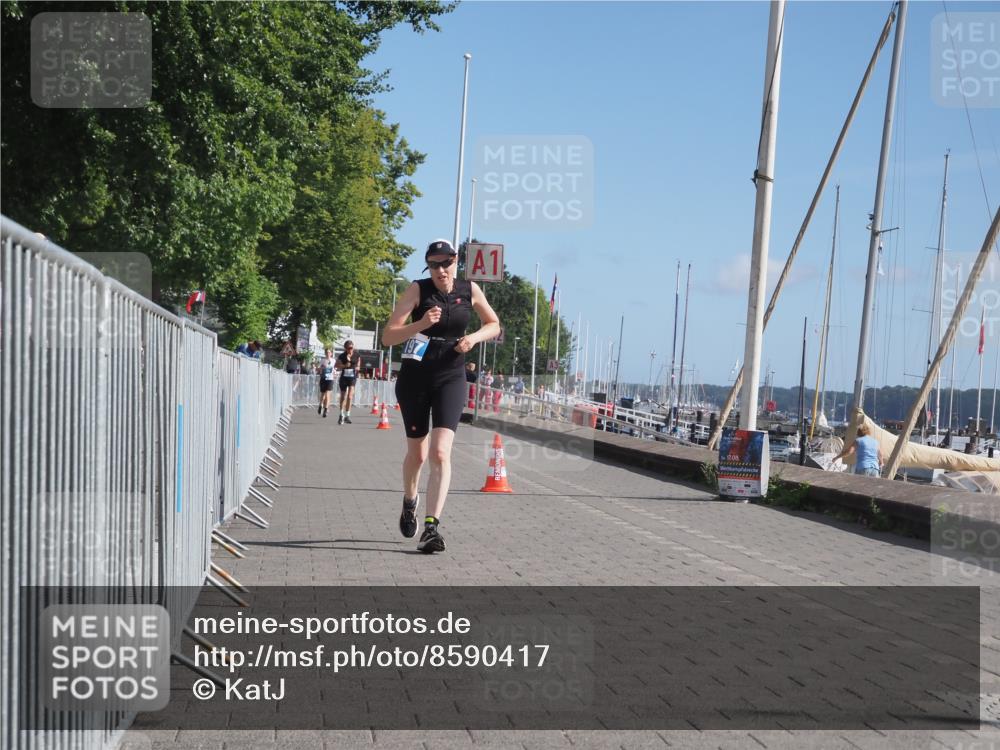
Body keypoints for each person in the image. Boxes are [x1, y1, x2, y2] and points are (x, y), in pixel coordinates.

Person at [382, 239, 500, 553]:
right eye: (433, 265)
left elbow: (494, 324)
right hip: (415, 379)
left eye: (445, 263)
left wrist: (472, 339)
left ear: (455, 261)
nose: (440, 271)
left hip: (451, 377)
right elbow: (388, 334)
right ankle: (410, 501)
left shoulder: (469, 289)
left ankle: (432, 528)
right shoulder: (417, 290)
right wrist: (420, 323)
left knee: (440, 453)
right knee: (418, 455)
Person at [335, 341, 361, 425]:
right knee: (343, 396)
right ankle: (341, 414)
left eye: (352, 348)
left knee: (350, 396)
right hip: (344, 378)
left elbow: (358, 365)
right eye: (349, 348)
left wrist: (357, 367)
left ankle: (347, 416)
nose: (351, 349)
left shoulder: (357, 355)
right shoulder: (342, 356)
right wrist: (344, 366)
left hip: (352, 377)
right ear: (345, 348)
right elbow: (336, 365)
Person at [318, 348, 336, 417]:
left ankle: (325, 410)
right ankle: (320, 405)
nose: (328, 354)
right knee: (323, 395)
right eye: (327, 352)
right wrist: (322, 368)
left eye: (329, 352)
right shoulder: (322, 360)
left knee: (328, 395)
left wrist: (334, 372)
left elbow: (335, 369)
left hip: (330, 379)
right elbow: (318, 368)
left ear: (331, 353)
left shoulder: (333, 361)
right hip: (323, 379)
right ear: (325, 353)